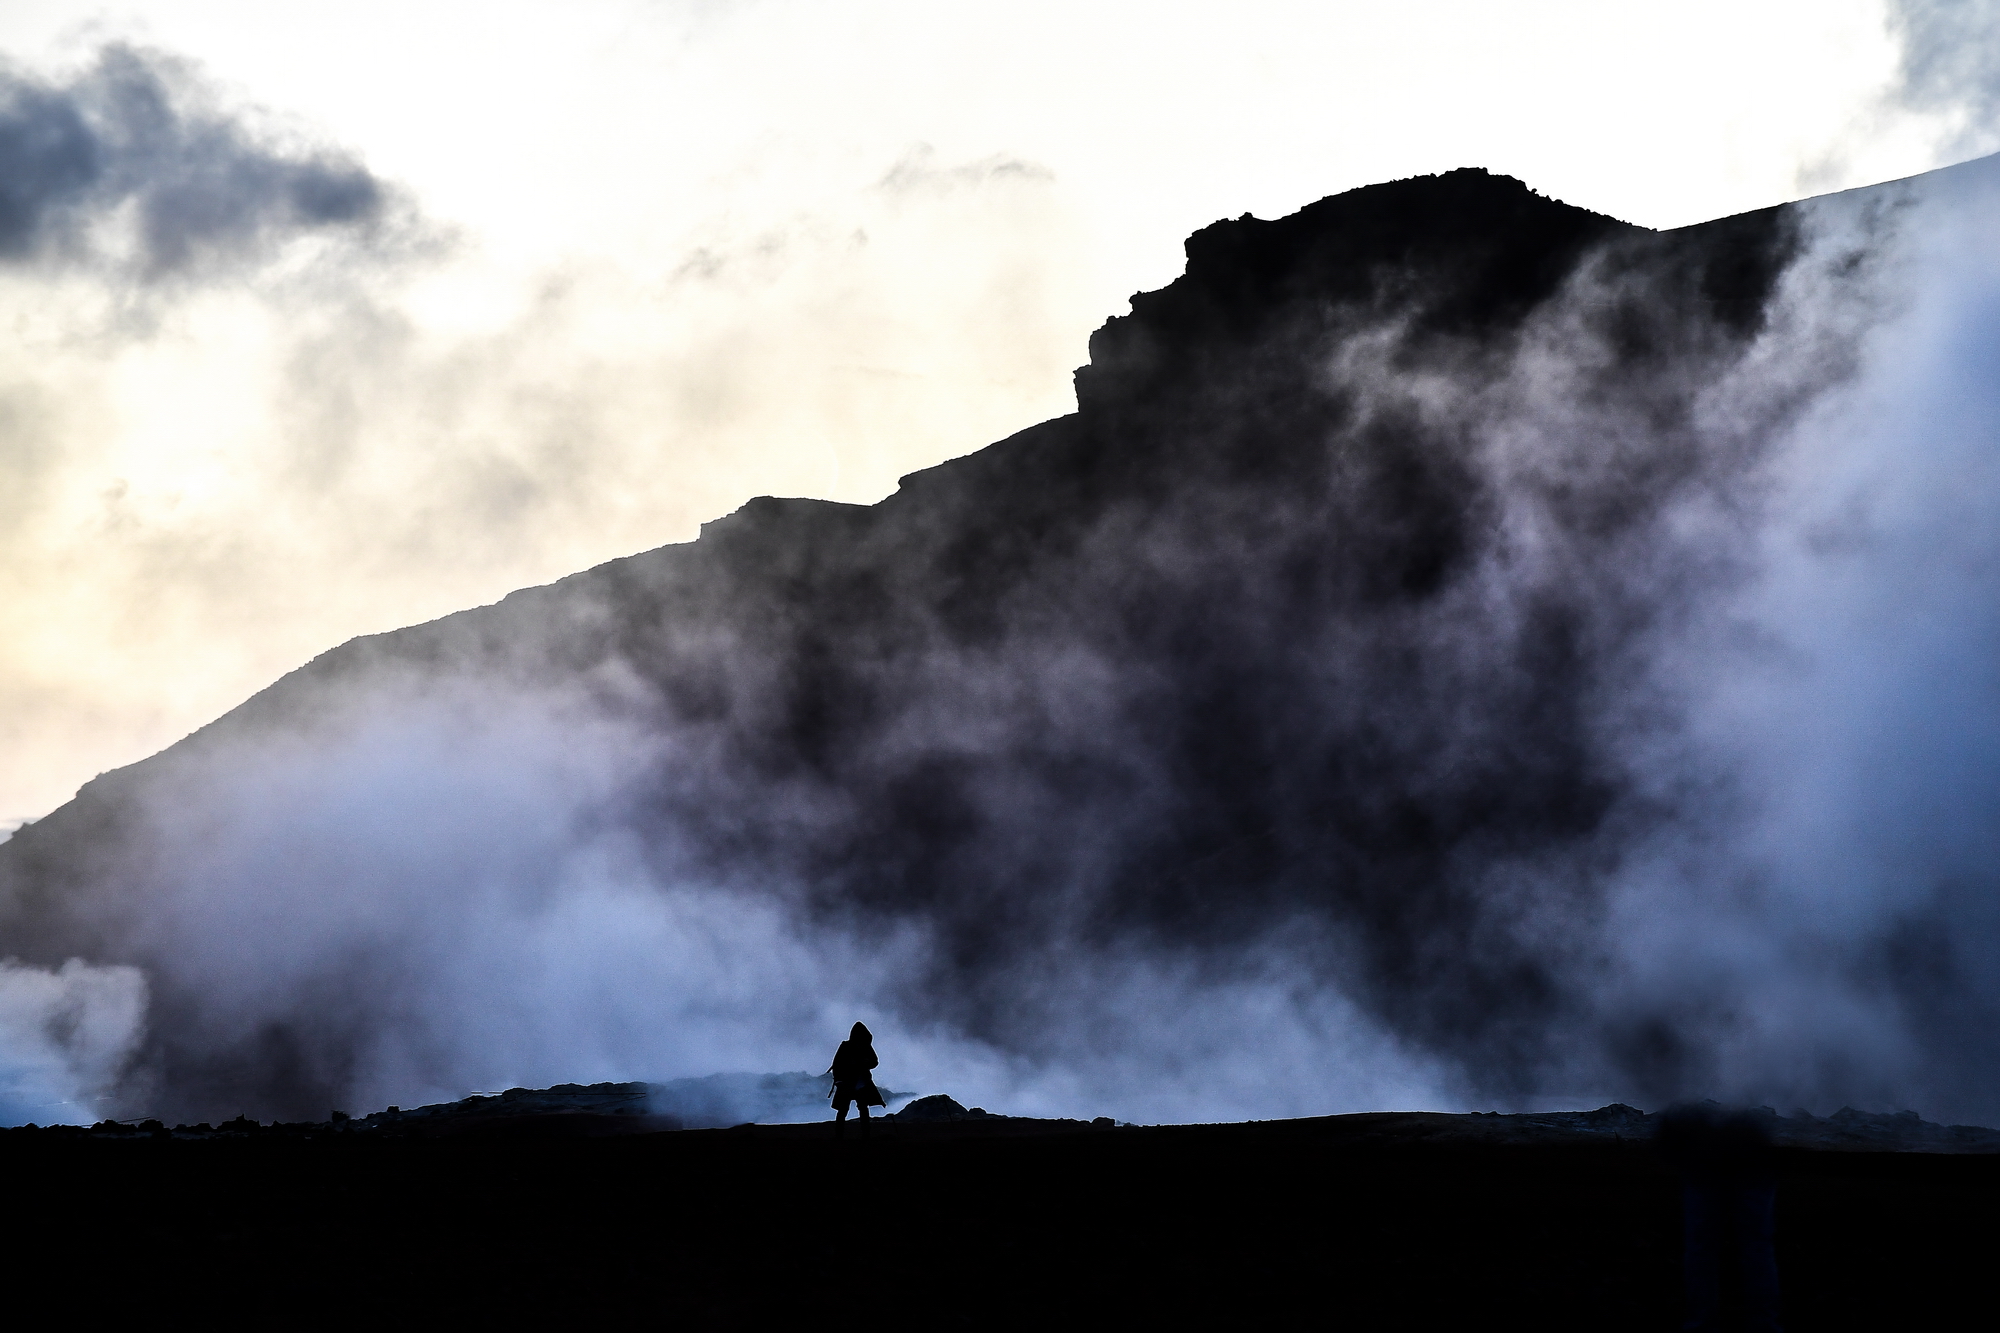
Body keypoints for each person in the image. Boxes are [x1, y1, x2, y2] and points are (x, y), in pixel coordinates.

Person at [827, 1021, 883, 1139]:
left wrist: (865, 1063)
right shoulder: (846, 1046)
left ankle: (865, 1135)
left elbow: (874, 1061)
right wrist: (838, 1080)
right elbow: (837, 1064)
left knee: (861, 1109)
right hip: (847, 1083)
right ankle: (840, 1136)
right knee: (844, 1110)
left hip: (860, 1082)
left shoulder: (864, 1047)